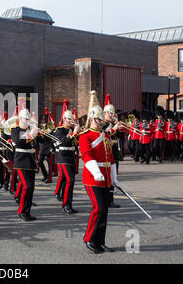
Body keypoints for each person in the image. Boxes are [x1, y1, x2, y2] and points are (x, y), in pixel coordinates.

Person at [79, 91, 119, 254]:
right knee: (99, 208)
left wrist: (114, 178)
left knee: (105, 210)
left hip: (106, 176)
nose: (102, 123)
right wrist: (96, 172)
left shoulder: (106, 134)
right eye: (99, 120)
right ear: (92, 118)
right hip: (92, 178)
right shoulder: (85, 136)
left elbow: (111, 158)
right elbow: (87, 155)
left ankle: (100, 241)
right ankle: (89, 238)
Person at [11, 97, 44, 221]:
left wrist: (38, 131)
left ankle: (27, 211)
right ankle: (21, 211)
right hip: (20, 160)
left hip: (30, 161)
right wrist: (32, 134)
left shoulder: (31, 129)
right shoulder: (15, 129)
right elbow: (19, 142)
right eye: (26, 118)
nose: (28, 120)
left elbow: (44, 140)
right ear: (20, 119)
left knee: (31, 187)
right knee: (27, 186)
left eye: (29, 119)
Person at [52, 100, 80, 214]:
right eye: (70, 119)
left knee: (69, 180)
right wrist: (74, 133)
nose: (72, 121)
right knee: (70, 180)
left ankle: (67, 201)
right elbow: (64, 142)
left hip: (71, 157)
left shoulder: (73, 130)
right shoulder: (59, 130)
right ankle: (66, 204)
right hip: (63, 158)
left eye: (72, 119)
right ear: (64, 119)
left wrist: (77, 133)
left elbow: (76, 143)